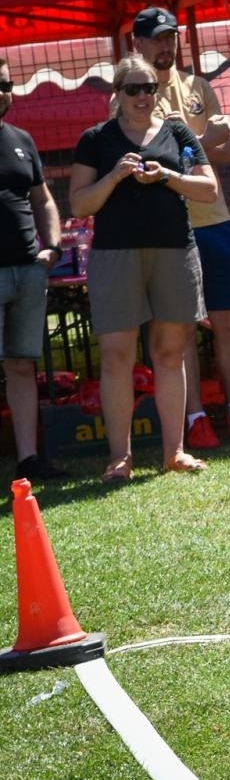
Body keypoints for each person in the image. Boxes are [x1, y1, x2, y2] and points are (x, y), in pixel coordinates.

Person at [131, 7, 230, 450]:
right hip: (170, 228)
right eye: (156, 39)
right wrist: (205, 137)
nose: (165, 46)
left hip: (216, 221)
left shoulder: (198, 86)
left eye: (170, 37)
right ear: (136, 44)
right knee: (181, 329)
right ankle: (195, 418)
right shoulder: (132, 93)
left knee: (228, 322)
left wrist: (198, 140)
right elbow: (157, 156)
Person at [69, 56, 219, 482]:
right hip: (115, 254)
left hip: (174, 248)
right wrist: (115, 176)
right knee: (117, 356)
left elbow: (208, 189)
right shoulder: (96, 139)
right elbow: (80, 204)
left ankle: (174, 452)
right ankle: (120, 458)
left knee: (170, 353)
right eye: (132, 88)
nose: (142, 96)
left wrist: (167, 176)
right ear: (116, 94)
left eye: (149, 87)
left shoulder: (178, 132)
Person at [0, 57, 66, 482]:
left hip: (28, 270)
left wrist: (54, 248)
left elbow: (43, 200)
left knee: (22, 365)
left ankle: (28, 460)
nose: (2, 92)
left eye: (6, 84)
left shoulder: (22, 139)